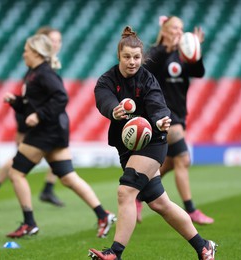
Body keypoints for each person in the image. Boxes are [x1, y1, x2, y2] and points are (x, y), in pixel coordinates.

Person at [88, 26, 216, 260]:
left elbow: (157, 104)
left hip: (153, 141)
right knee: (160, 204)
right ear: (119, 56)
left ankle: (114, 253)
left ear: (142, 58)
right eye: (127, 57)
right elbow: (103, 99)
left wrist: (161, 120)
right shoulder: (106, 80)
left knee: (126, 192)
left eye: (136, 57)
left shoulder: (147, 79)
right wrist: (113, 110)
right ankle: (204, 246)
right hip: (127, 148)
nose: (132, 62)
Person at [4, 33, 116, 238]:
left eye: (26, 50)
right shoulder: (34, 73)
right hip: (55, 131)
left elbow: (61, 97)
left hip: (46, 132)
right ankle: (103, 214)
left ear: (37, 53)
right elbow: (35, 103)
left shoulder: (44, 73)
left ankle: (29, 223)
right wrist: (16, 102)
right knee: (67, 177)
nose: (23, 54)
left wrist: (39, 115)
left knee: (16, 173)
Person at [140, 15, 214, 225]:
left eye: (181, 29)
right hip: (162, 113)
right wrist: (166, 50)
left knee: (171, 162)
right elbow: (147, 73)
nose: (178, 33)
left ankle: (138, 193)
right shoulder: (155, 53)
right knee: (183, 158)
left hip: (180, 113)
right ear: (164, 30)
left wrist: (195, 52)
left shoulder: (182, 54)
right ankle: (190, 209)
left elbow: (198, 72)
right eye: (174, 28)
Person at [0, 26, 65, 210]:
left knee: (35, 156)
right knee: (22, 159)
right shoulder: (41, 67)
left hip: (36, 118)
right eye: (53, 40)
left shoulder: (46, 66)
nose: (57, 44)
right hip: (31, 119)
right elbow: (34, 97)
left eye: (59, 41)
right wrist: (29, 118)